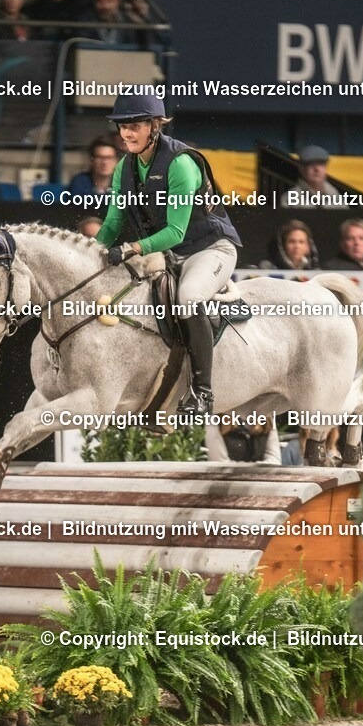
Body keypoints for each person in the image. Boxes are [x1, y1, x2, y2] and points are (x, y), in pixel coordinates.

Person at [96, 95, 241, 418]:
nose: (126, 134)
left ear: (155, 126)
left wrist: (132, 248)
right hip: (170, 255)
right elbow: (113, 222)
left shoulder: (180, 163)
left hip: (210, 249)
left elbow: (175, 231)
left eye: (134, 126)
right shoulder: (124, 168)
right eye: (123, 127)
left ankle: (203, 393)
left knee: (188, 298)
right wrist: (90, 252)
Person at [280, 146, 346, 207]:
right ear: (301, 168)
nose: (317, 169)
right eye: (311, 164)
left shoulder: (335, 195)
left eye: (321, 164)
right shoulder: (289, 199)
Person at [206, 418, 281, 464]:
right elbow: (219, 465)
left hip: (261, 483)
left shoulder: (268, 418)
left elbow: (275, 460)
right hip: (227, 484)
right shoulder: (214, 419)